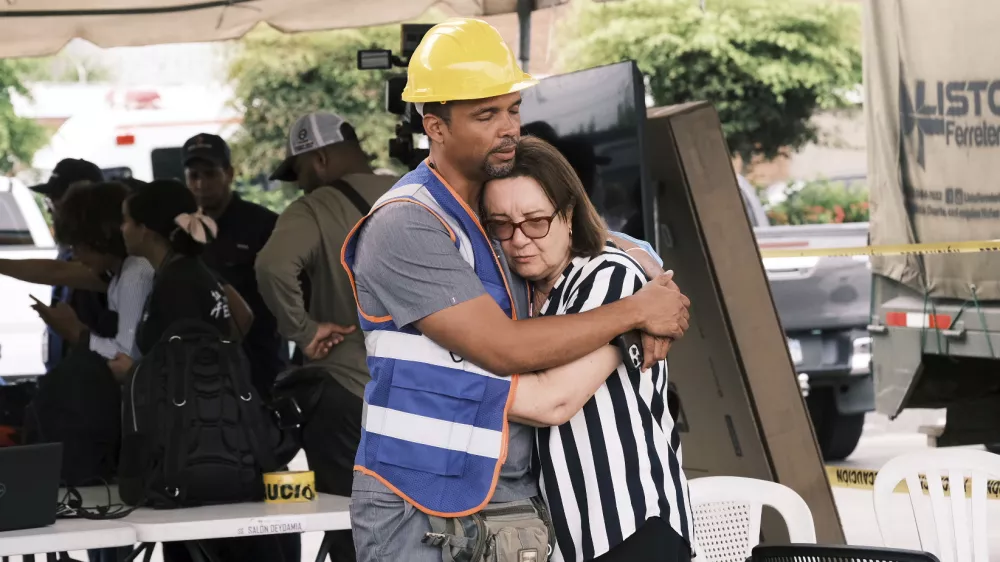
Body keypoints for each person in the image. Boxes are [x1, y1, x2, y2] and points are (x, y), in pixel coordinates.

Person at [342, 17, 691, 562]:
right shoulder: (406, 223)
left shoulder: (490, 209)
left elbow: (581, 232)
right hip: (419, 497)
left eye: (512, 109)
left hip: (507, 495)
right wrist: (636, 312)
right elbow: (504, 348)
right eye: (486, 115)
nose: (508, 128)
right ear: (435, 127)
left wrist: (643, 262)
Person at [484, 136, 693, 562]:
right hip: (569, 540)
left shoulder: (609, 275)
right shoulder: (521, 293)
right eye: (501, 225)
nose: (518, 240)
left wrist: (439, 387)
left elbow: (556, 399)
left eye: (536, 221)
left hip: (631, 525)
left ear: (569, 215)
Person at [111, 180, 283, 562]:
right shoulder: (195, 270)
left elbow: (179, 369)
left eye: (126, 221)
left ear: (146, 229)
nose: (121, 229)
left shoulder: (176, 282)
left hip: (192, 450)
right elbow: (243, 316)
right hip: (217, 438)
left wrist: (135, 372)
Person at [256, 111, 394, 561]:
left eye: (298, 172)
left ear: (318, 160)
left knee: (352, 526)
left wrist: (304, 329)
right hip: (425, 395)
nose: (299, 185)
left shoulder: (314, 208)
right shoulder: (417, 191)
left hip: (348, 391)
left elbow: (272, 266)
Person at [0, 182, 154, 365]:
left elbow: (126, 355)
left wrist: (75, 331)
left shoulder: (135, 273)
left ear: (100, 237)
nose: (75, 256)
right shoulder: (118, 274)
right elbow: (55, 271)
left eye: (78, 246)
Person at [181, 134, 287, 398]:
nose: (201, 184)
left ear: (228, 173)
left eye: (210, 174)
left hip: (258, 362)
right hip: (201, 367)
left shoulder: (263, 225)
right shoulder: (181, 231)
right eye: (193, 176)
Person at [27, 158, 109, 372]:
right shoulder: (67, 251)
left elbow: (54, 272)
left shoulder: (105, 262)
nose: (50, 211)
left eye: (56, 200)